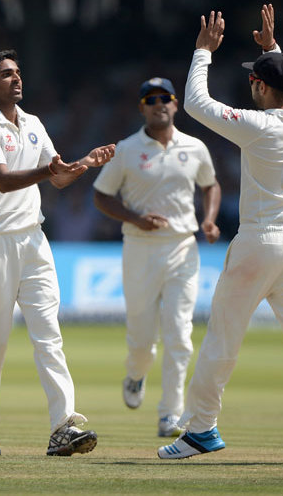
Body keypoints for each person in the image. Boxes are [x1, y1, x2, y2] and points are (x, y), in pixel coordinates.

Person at [158, 5, 283, 460]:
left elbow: (196, 104)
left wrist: (202, 54)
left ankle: (201, 430)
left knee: (223, 337)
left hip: (261, 241)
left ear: (259, 84)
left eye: (253, 80)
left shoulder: (258, 126)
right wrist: (273, 49)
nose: (249, 86)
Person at [0, 49, 114, 457]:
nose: (15, 79)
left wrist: (82, 165)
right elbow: (4, 181)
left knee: (49, 334)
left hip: (33, 239)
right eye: (6, 74)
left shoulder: (34, 124)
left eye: (18, 72)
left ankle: (63, 425)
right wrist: (52, 171)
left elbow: (56, 176)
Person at [92, 76, 221, 438]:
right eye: (150, 99)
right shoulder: (127, 149)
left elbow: (210, 184)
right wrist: (135, 218)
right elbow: (101, 195)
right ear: (142, 107)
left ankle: (170, 414)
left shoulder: (194, 147)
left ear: (176, 104)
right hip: (139, 249)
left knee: (180, 335)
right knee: (142, 342)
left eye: (165, 97)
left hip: (183, 246)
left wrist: (209, 220)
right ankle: (135, 375)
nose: (158, 103)